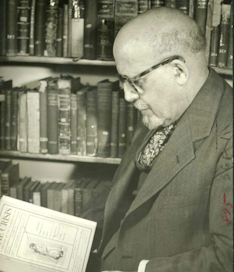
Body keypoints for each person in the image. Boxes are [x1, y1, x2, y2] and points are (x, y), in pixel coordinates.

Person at [96, 7, 233, 272]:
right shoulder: (164, 104)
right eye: (123, 81)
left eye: (135, 82)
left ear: (178, 71)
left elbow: (228, 258)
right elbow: (128, 195)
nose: (127, 96)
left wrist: (141, 270)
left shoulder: (228, 135)